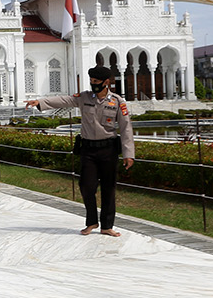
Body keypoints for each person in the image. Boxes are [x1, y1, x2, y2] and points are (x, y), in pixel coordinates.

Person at [26, 64, 134, 236]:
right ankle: (92, 221)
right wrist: (40, 102)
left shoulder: (117, 102)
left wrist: (129, 154)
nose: (93, 83)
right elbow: (64, 100)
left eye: (96, 81)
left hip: (108, 150)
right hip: (88, 150)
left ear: (106, 82)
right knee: (86, 186)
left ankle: (107, 226)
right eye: (91, 80)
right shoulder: (84, 97)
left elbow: (125, 127)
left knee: (108, 188)